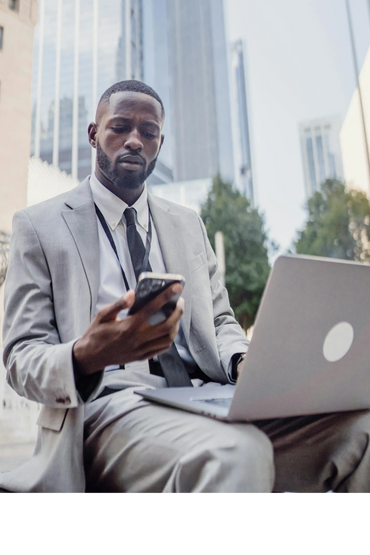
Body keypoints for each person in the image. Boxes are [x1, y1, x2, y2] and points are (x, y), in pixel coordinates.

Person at [1, 80, 370, 496]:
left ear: (161, 141)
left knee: (361, 429)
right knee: (236, 452)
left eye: (149, 131)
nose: (135, 141)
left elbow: (220, 319)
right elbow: (20, 356)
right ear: (93, 134)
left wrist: (242, 363)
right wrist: (88, 354)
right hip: (107, 407)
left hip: (204, 397)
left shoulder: (188, 224)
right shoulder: (39, 225)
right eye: (120, 127)